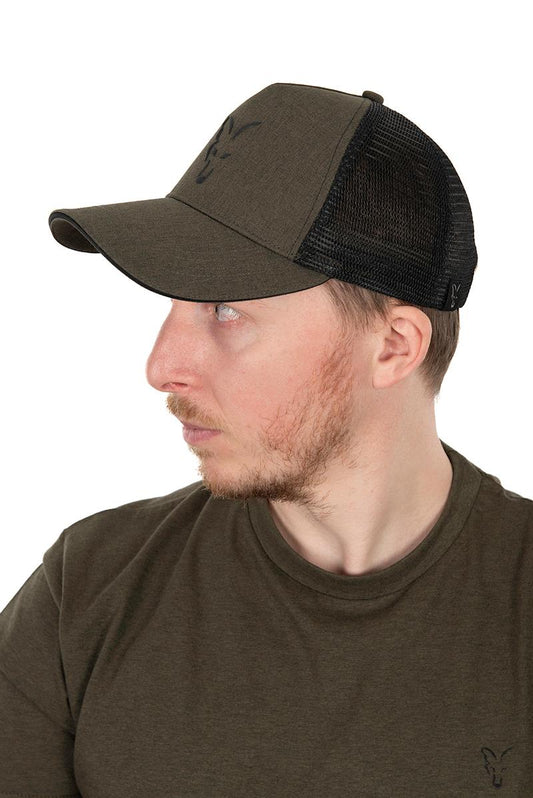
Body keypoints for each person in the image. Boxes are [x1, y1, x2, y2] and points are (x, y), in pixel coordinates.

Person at [0, 82, 531, 796]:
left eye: (225, 309)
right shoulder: (89, 589)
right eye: (175, 304)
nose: (161, 367)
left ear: (393, 347)